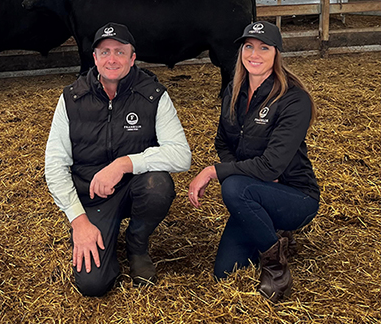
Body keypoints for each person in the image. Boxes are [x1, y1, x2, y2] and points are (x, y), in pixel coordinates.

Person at [45, 22, 191, 297]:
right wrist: (78, 221)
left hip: (134, 188)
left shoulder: (152, 95)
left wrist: (124, 164)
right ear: (95, 58)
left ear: (133, 58)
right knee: (93, 285)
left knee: (158, 186)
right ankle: (95, 231)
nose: (112, 59)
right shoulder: (71, 98)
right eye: (104, 52)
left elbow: (182, 155)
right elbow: (54, 166)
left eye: (120, 52)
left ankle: (137, 243)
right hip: (92, 197)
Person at [188, 20, 320, 303]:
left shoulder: (293, 100)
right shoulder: (233, 93)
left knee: (233, 188)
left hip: (296, 197)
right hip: (253, 193)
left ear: (277, 53)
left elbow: (272, 166)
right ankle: (272, 231)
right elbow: (222, 142)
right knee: (225, 272)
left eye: (264, 47)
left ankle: (276, 269)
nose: (254, 54)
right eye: (248, 46)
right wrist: (245, 174)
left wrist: (215, 171)